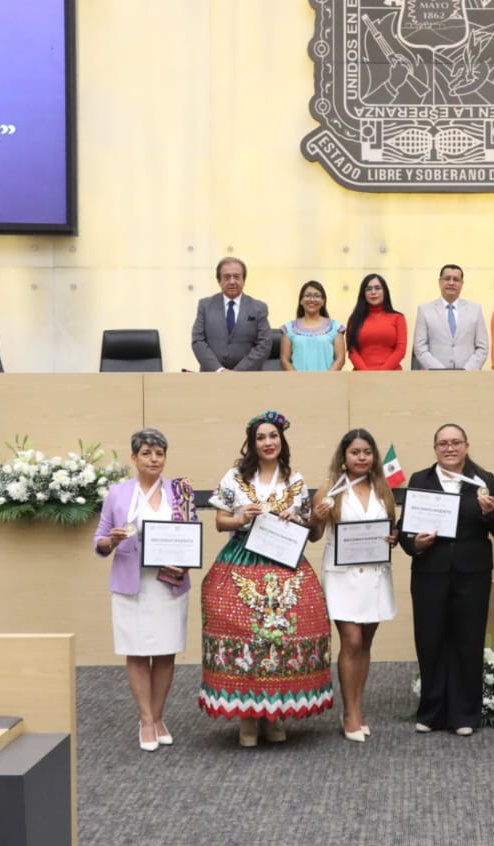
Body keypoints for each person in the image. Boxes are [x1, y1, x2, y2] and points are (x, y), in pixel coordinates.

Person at [199, 411, 334, 747]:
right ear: (252, 443)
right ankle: (247, 719)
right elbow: (219, 522)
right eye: (261, 437)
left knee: (281, 639)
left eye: (273, 436)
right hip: (242, 560)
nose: (268, 442)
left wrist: (298, 518)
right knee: (247, 639)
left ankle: (273, 715)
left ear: (281, 440)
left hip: (285, 564)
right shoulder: (234, 478)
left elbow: (311, 532)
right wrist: (241, 516)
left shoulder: (296, 481)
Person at [399, 424, 494, 735]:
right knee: (430, 640)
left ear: (466, 445)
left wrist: (490, 513)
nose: (450, 448)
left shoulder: (482, 480)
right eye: (443, 444)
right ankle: (431, 712)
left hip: (472, 574)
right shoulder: (421, 479)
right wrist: (416, 544)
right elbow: (405, 531)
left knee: (468, 641)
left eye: (456, 443)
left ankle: (465, 715)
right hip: (429, 574)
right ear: (435, 448)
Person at [92, 428, 197, 751]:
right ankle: (146, 720)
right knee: (137, 653)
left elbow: (190, 534)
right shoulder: (117, 494)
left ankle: (159, 715)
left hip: (169, 584)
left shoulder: (180, 491)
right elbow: (100, 540)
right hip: (130, 585)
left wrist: (185, 561)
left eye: (159, 453)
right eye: (147, 453)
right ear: (134, 458)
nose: (154, 459)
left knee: (166, 652)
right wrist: (112, 541)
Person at [309, 429, 398, 743]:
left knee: (365, 645)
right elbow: (314, 536)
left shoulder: (383, 488)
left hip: (375, 575)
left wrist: (394, 538)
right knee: (351, 640)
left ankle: (357, 708)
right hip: (341, 577)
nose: (362, 458)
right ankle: (349, 713)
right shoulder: (329, 490)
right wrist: (316, 518)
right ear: (344, 457)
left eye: (367, 452)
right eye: (355, 452)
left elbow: (391, 530)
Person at [191, 256, 273, 371]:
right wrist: (219, 370)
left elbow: (264, 344)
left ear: (244, 280)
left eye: (236, 277)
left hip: (248, 378)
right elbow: (198, 341)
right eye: (227, 277)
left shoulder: (258, 307)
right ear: (219, 281)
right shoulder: (205, 305)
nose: (232, 281)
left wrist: (237, 373)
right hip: (212, 376)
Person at [412, 264, 490, 370]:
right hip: (434, 376)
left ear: (462, 284)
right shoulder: (425, 310)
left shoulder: (475, 310)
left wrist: (467, 370)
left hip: (468, 376)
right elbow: (420, 348)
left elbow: (482, 347)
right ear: (439, 282)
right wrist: (439, 370)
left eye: (456, 279)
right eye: (447, 278)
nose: (451, 283)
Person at [280, 280, 346, 372]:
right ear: (301, 301)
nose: (312, 299)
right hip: (297, 383)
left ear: (323, 301)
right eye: (307, 295)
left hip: (327, 383)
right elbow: (284, 360)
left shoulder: (335, 328)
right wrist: (297, 380)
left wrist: (325, 379)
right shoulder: (288, 329)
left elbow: (340, 359)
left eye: (317, 296)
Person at [346, 274, 408, 370]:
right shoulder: (354, 319)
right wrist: (367, 374)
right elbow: (352, 351)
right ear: (363, 293)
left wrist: (381, 373)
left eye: (377, 288)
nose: (373, 292)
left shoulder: (398, 318)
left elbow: (400, 350)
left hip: (392, 376)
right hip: (361, 377)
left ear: (385, 292)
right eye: (369, 289)